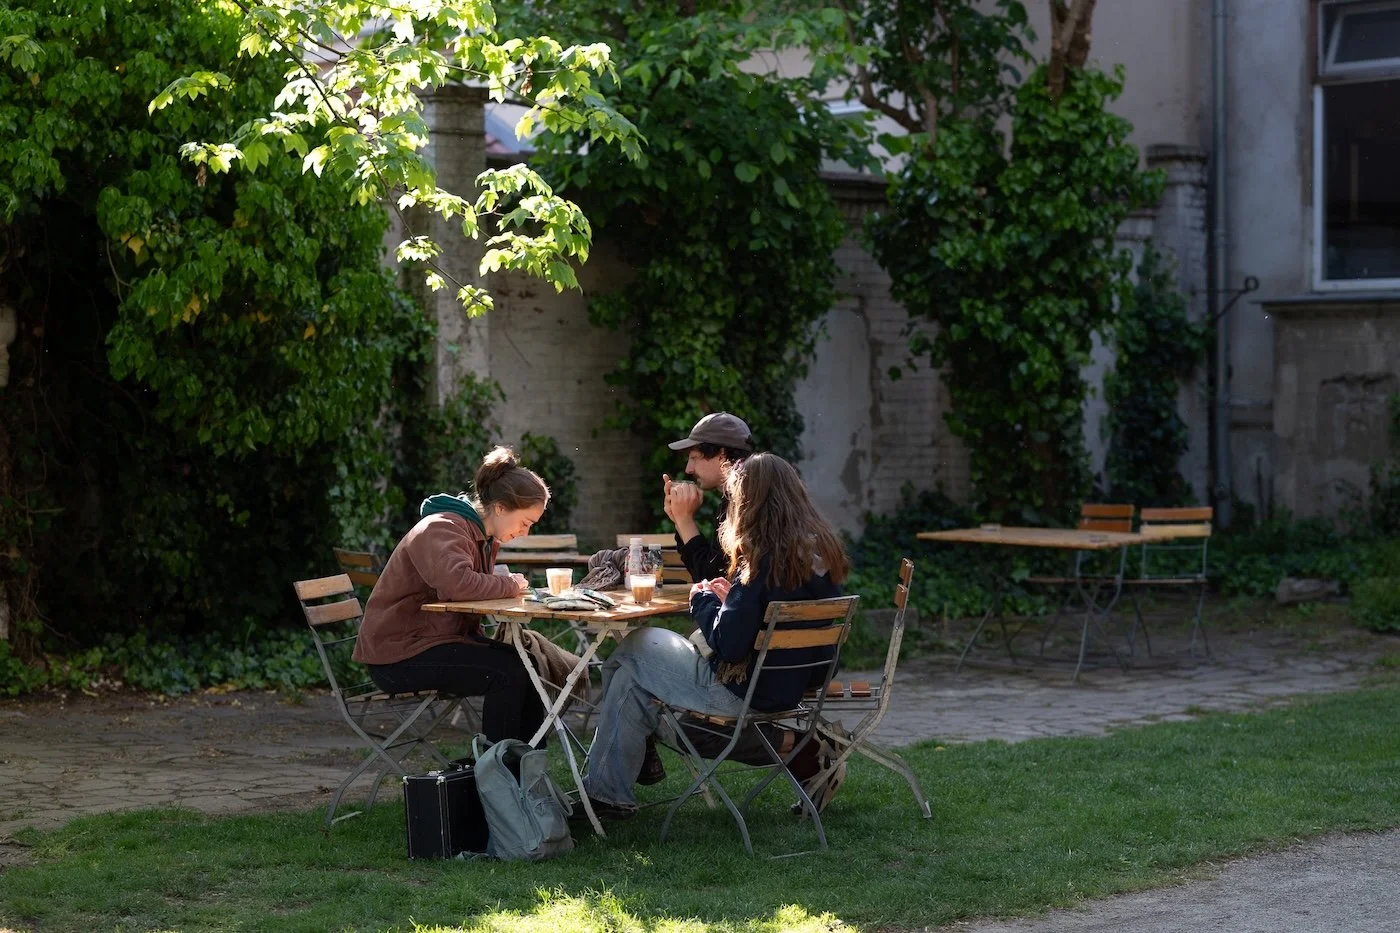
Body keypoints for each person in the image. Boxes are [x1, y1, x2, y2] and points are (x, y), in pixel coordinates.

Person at [581, 452, 850, 820]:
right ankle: (607, 796)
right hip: (793, 683)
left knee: (634, 648)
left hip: (743, 690)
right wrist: (733, 603)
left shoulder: (759, 559)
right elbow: (771, 617)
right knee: (632, 682)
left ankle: (613, 787)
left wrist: (703, 600)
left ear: (750, 502)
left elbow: (729, 645)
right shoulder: (817, 552)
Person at [353, 446, 547, 743]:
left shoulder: (477, 535)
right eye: (525, 523)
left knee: (530, 665)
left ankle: (528, 770)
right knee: (507, 672)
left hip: (435, 643)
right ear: (500, 508)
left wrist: (503, 584)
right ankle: (500, 777)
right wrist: (509, 585)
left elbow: (467, 586)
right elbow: (458, 585)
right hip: (398, 657)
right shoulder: (442, 527)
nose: (525, 533)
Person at [662, 411, 754, 582]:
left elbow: (715, 583)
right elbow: (713, 570)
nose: (688, 469)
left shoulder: (744, 501)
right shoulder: (750, 491)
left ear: (722, 455)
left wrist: (685, 520)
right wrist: (681, 519)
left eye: (694, 458)